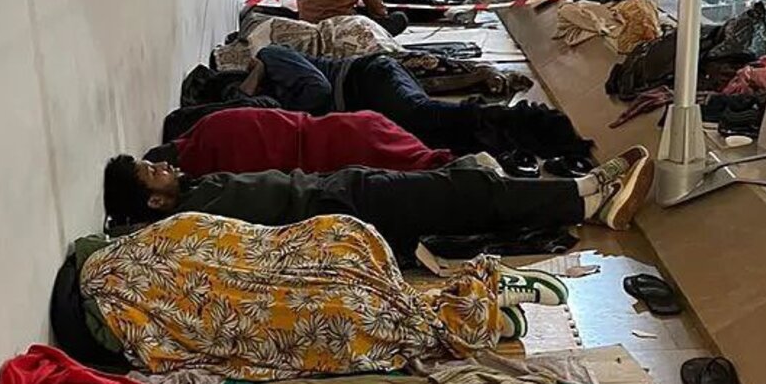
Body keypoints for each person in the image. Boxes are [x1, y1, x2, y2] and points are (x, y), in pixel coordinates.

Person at [81, 212, 569, 380]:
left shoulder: (116, 262)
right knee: (347, 304)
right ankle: (473, 310)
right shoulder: (110, 288)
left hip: (247, 269)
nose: (163, 166)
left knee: (348, 275)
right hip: (231, 298)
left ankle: (473, 313)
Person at [101, 146, 654, 256]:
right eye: (154, 173)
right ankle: (585, 198)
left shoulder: (198, 191)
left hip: (344, 190)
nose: (166, 166)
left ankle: (581, 197)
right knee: (467, 193)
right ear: (154, 203)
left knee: (463, 190)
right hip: (347, 207)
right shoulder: (194, 215)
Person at [242, 45, 594, 162]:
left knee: (426, 118)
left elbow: (318, 93)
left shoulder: (271, 55)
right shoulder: (272, 85)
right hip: (364, 98)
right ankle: (524, 140)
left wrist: (259, 97)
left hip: (365, 79)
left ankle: (534, 124)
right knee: (432, 142)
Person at [146, 107, 456, 176]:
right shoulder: (209, 124)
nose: (163, 171)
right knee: (419, 160)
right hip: (350, 127)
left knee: (417, 171)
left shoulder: (212, 169)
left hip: (333, 152)